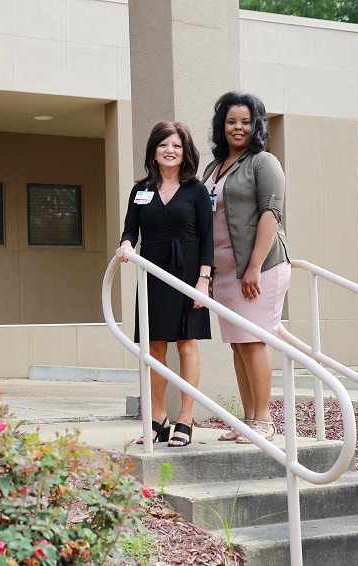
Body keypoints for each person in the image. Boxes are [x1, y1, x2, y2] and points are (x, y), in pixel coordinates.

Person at [116, 121, 214, 448]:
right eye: (163, 145)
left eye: (176, 145)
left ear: (185, 152)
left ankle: (186, 418)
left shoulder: (196, 190)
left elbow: (208, 239)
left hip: (189, 274)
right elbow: (130, 229)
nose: (169, 151)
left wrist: (204, 280)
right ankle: (158, 418)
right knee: (155, 347)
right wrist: (127, 245)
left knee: (187, 344)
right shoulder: (140, 190)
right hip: (153, 272)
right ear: (154, 152)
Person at [202, 92, 290, 443]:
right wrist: (206, 272)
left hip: (260, 269)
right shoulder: (213, 168)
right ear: (221, 126)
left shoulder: (263, 162)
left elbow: (271, 213)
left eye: (244, 121)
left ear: (256, 125)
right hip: (224, 274)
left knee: (253, 342)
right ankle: (248, 421)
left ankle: (264, 421)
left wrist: (253, 266)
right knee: (238, 344)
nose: (237, 127)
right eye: (230, 121)